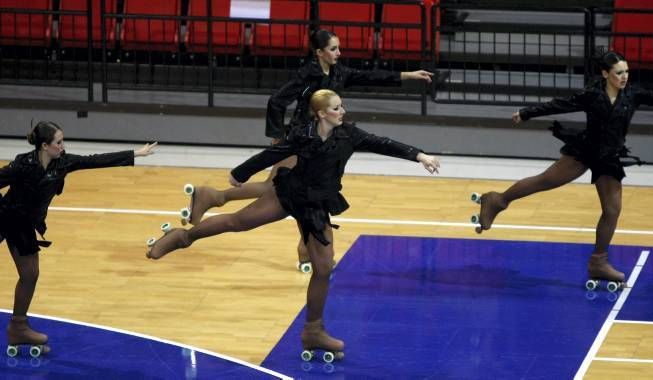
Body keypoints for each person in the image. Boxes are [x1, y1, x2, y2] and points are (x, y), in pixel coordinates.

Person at [145, 89, 440, 361]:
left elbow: (383, 144)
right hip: (290, 194)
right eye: (337, 108)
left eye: (342, 107)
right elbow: (273, 153)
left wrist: (420, 155)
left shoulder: (349, 134)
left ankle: (313, 331)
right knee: (238, 222)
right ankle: (183, 236)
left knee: (324, 268)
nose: (343, 111)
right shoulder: (303, 134)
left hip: (316, 205)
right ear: (322, 113)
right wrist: (241, 173)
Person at [180, 29, 435, 273]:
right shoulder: (307, 75)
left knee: (287, 191)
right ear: (319, 52)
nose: (339, 53)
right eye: (333, 49)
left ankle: (215, 197)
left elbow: (371, 77)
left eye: (339, 48)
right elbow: (277, 100)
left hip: (321, 140)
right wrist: (278, 137)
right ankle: (215, 198)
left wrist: (409, 75)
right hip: (303, 139)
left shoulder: (338, 72)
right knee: (282, 191)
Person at [472, 50, 653, 291]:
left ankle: (598, 262)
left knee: (612, 209)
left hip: (609, 158)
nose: (624, 77)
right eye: (618, 73)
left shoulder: (633, 95)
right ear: (605, 74)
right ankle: (497, 200)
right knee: (546, 180)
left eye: (626, 72)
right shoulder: (592, 95)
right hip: (586, 150)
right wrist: (526, 113)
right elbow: (561, 105)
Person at [0, 121, 157, 357]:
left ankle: (18, 327)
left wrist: (136, 153)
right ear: (44, 146)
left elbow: (94, 160)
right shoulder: (24, 163)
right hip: (3, 218)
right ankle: (18, 325)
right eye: (58, 142)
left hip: (23, 226)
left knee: (30, 274)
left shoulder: (63, 163)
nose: (63, 146)